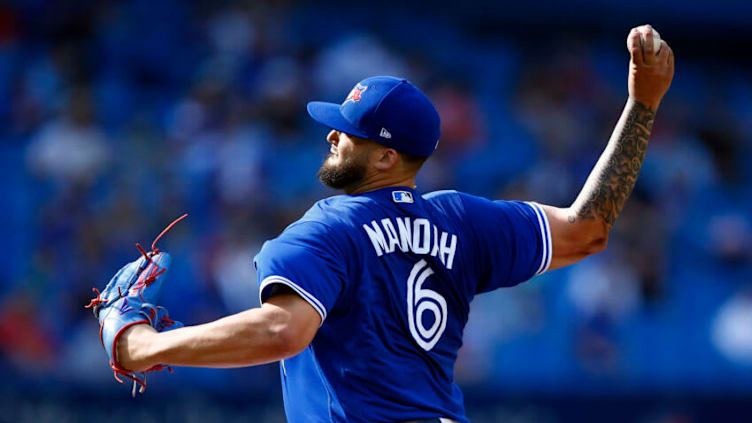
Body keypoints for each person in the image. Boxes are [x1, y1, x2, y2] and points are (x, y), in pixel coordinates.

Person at [114, 25, 674, 422]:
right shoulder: (463, 220)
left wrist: (144, 346)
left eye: (347, 131)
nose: (331, 134)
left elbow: (283, 332)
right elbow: (589, 229)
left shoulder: (324, 230)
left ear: (386, 157)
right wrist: (642, 106)